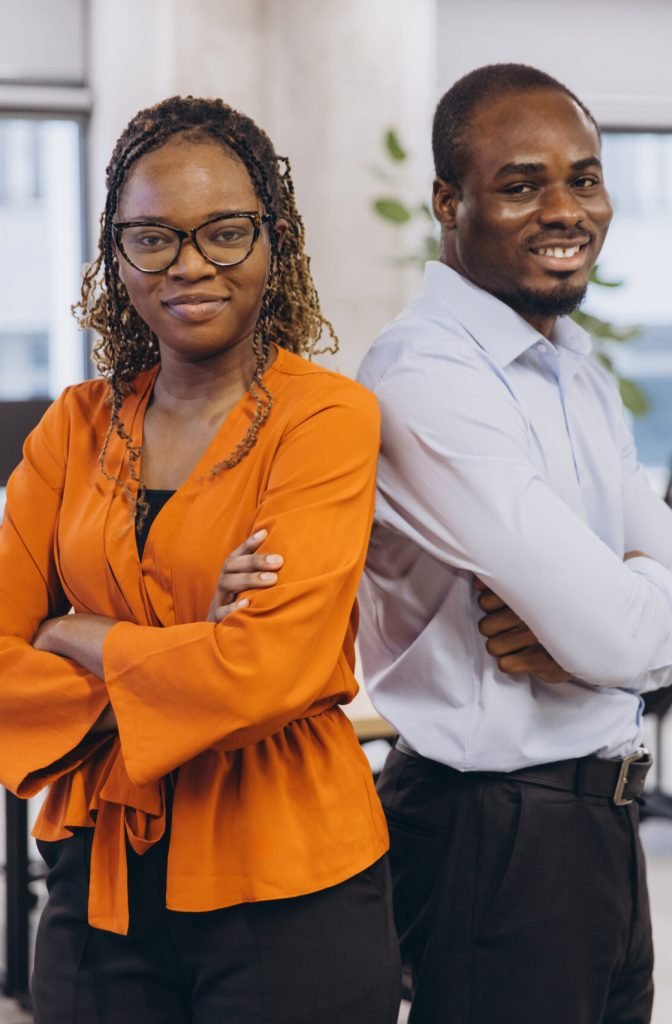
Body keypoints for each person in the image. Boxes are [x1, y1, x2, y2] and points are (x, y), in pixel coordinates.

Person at [0, 96, 401, 1023]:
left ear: (274, 239)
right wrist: (194, 648)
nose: (189, 265)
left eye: (225, 232)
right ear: (117, 254)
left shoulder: (326, 419)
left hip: (291, 877)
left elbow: (270, 669)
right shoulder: (74, 426)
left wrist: (77, 630)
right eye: (152, 238)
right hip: (99, 881)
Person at [356, 63, 672, 1024]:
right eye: (521, 184)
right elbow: (617, 631)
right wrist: (631, 610)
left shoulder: (575, 372)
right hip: (493, 835)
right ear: (450, 201)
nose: (566, 209)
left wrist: (637, 612)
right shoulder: (425, 378)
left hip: (599, 823)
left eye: (585, 178)